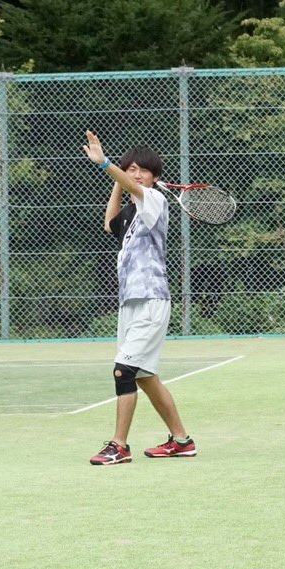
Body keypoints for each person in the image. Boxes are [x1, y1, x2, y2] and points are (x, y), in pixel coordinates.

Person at [83, 131, 195, 465]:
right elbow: (109, 224)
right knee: (144, 376)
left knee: (123, 371)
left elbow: (135, 189)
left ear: (155, 177)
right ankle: (182, 441)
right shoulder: (132, 213)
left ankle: (119, 445)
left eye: (142, 170)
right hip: (130, 304)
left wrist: (106, 165)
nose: (135, 174)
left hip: (151, 299)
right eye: (129, 168)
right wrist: (117, 178)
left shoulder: (155, 201)